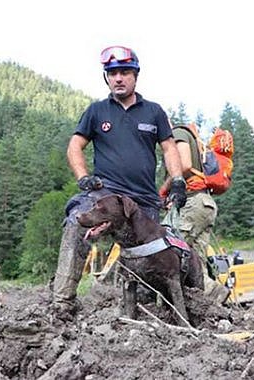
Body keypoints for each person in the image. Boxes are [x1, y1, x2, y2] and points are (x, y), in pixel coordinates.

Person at [52, 45, 187, 316]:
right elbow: (74, 146)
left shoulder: (154, 112)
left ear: (136, 76)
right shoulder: (96, 111)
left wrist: (178, 180)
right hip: (107, 194)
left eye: (125, 72)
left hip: (144, 200)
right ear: (106, 77)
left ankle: (165, 309)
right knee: (76, 222)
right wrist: (83, 177)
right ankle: (62, 303)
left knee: (158, 255)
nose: (118, 78)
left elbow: (170, 147)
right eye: (112, 73)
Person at [159, 123, 230, 305]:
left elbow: (184, 165)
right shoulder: (193, 138)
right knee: (195, 262)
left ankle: (158, 303)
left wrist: (164, 190)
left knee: (165, 249)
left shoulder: (177, 133)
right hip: (204, 204)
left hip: (192, 202)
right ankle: (212, 300)